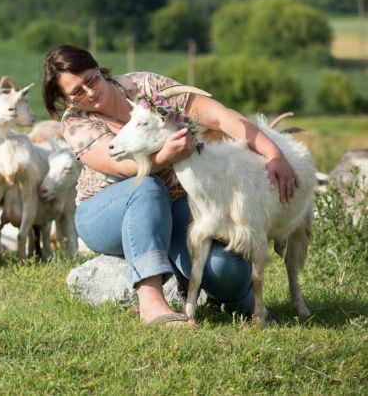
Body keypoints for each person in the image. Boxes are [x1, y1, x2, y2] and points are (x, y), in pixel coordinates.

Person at [42, 44, 298, 326]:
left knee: (224, 268)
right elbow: (121, 166)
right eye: (77, 92)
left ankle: (240, 300)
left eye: (91, 79)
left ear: (99, 69)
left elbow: (221, 117)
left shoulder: (148, 88)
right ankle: (152, 304)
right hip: (106, 213)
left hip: (178, 204)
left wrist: (274, 153)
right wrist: (166, 157)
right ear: (67, 100)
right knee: (147, 186)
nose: (89, 93)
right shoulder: (75, 121)